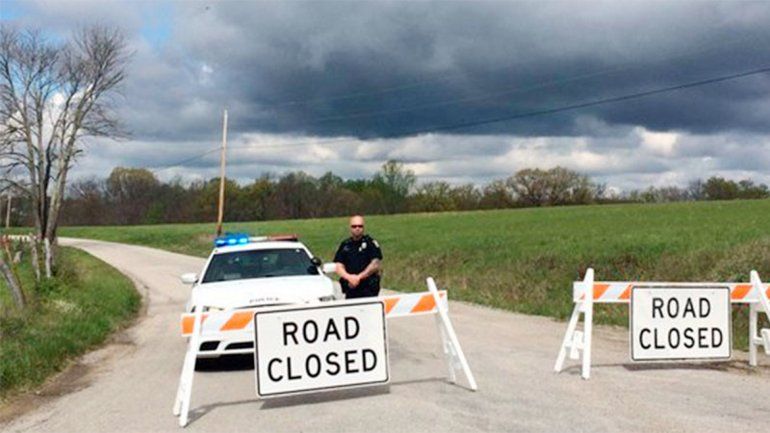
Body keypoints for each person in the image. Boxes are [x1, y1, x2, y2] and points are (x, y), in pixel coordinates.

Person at [333, 215, 382, 299]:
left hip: (368, 290)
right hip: (351, 288)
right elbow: (338, 266)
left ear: (363, 228)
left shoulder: (370, 243)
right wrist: (349, 278)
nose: (357, 228)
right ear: (350, 228)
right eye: (354, 226)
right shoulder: (345, 245)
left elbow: (375, 264)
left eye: (360, 226)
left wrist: (359, 277)